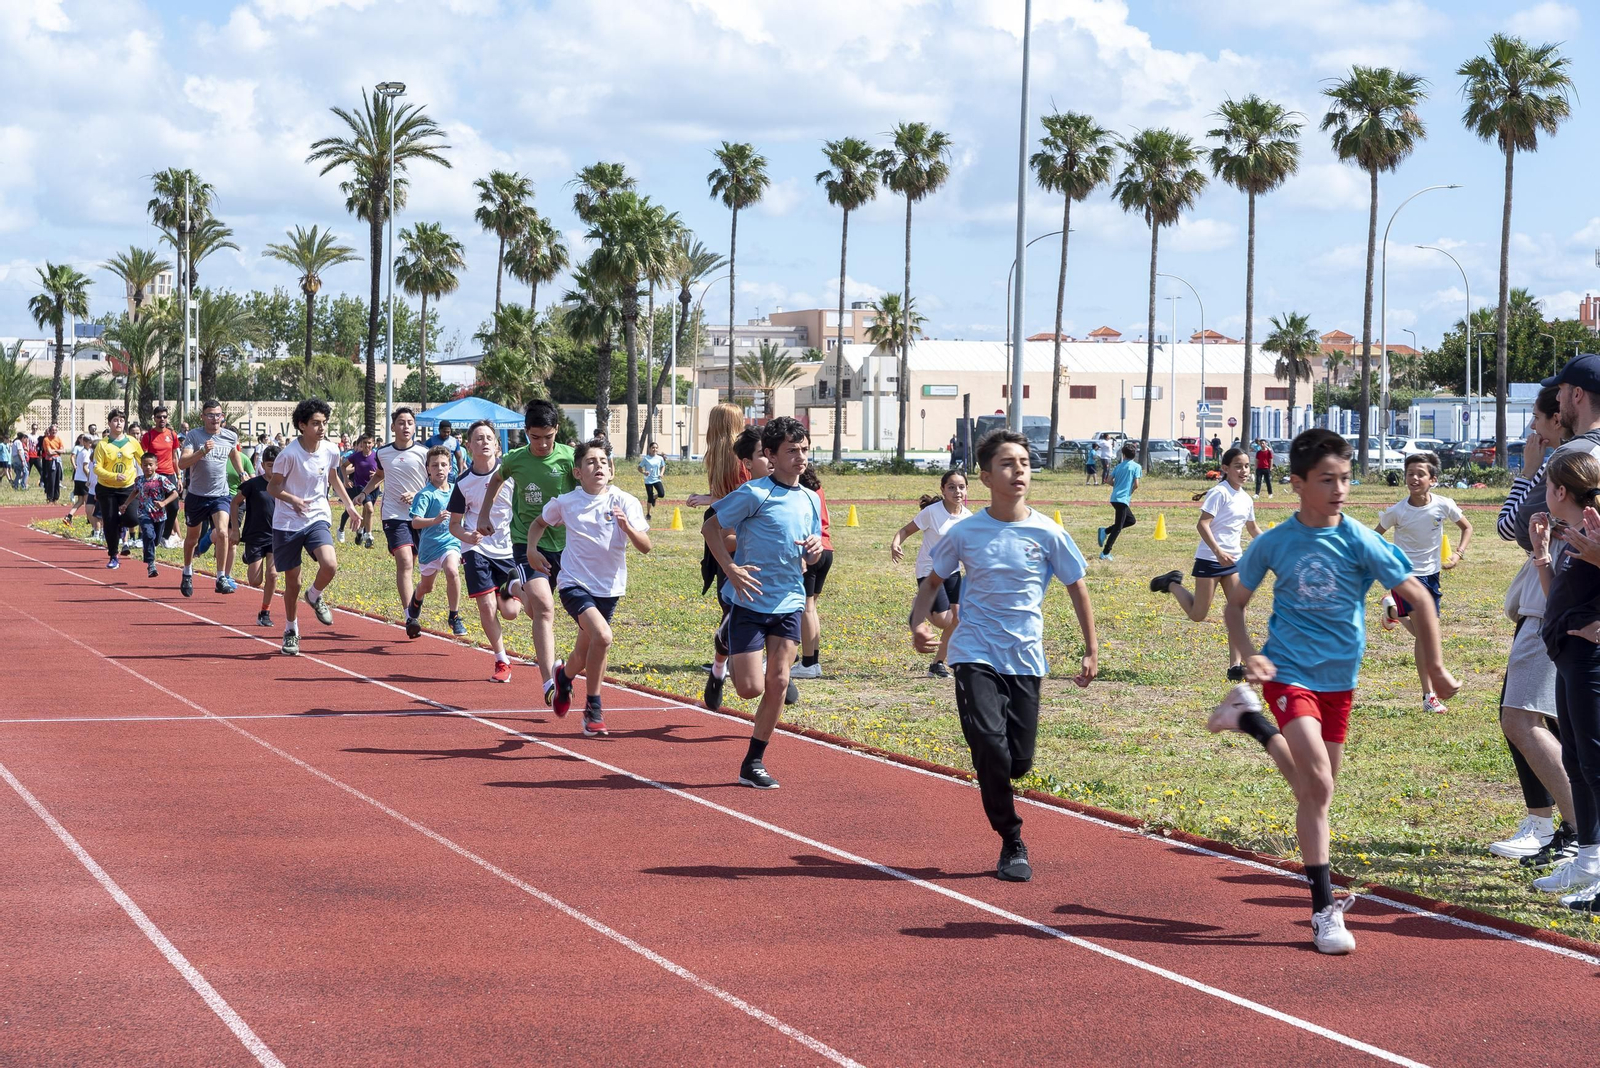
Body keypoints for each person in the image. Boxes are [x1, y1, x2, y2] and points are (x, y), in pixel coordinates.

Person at [1208, 429, 1457, 954]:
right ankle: (1324, 911)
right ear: (1297, 483)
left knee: (1313, 791)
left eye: (1345, 478)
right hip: (1288, 673)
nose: (1339, 489)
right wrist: (1249, 653)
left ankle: (1250, 722)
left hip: (1339, 683)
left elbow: (1419, 598)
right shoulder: (1275, 541)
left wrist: (1435, 667)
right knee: (1319, 783)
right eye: (1327, 480)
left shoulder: (1361, 539)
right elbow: (1235, 606)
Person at [910, 430, 1098, 882]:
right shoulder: (965, 531)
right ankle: (1011, 839)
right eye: (1008, 464)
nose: (1019, 471)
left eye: (1025, 464)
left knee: (1018, 761)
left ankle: (995, 768)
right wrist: (917, 624)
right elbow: (932, 583)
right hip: (974, 651)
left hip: (1025, 656)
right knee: (991, 746)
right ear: (986, 476)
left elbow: (1077, 588)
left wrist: (1091, 649)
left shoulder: (1048, 532)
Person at [701, 416, 823, 789]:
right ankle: (725, 641)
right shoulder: (755, 493)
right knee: (749, 688)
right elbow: (710, 528)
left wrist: (814, 551)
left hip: (789, 601)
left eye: (804, 450)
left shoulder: (810, 497)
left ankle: (753, 761)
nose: (800, 457)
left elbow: (810, 551)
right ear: (770, 454)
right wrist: (731, 569)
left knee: (780, 681)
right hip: (750, 602)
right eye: (792, 451)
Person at [1490, 386, 1576, 864]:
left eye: (1539, 418)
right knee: (1548, 720)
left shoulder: (1565, 458)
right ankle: (1558, 825)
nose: (1532, 428)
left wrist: (1528, 471)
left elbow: (1511, 526)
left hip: (1551, 606)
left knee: (1521, 716)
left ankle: (1577, 832)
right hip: (1557, 602)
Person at [529, 438, 651, 734]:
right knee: (603, 637)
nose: (598, 466)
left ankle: (564, 677)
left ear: (611, 470)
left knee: (583, 654)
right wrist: (532, 550)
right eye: (591, 462)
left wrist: (628, 528)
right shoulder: (566, 502)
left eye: (603, 462)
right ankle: (593, 707)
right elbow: (538, 524)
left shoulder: (625, 501)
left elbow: (645, 546)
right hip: (574, 583)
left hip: (609, 588)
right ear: (578, 472)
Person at [1528, 449, 1600, 909]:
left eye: (1546, 487)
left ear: (1559, 490)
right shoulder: (1576, 534)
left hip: (1591, 662)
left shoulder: (1595, 533)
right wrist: (1542, 556)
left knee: (1596, 764)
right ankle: (1589, 860)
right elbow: (1561, 596)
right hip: (1569, 657)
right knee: (1577, 760)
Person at [476, 399, 576, 700]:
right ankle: (549, 682)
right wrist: (483, 515)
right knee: (544, 607)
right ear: (526, 432)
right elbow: (496, 479)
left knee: (535, 609)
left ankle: (514, 587)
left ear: (557, 429)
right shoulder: (516, 459)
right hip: (526, 542)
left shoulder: (570, 458)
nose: (542, 444)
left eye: (548, 437)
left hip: (566, 545)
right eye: (535, 437)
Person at [1150, 448, 1262, 681]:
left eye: (1246, 466)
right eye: (1238, 466)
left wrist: (1273, 546)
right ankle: (1171, 583)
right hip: (1210, 560)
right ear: (1225, 469)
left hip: (1234, 562)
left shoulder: (1246, 498)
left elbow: (1252, 528)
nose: (1244, 471)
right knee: (1198, 615)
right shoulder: (1219, 493)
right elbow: (1202, 525)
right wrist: (1218, 551)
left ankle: (1235, 666)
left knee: (1238, 612)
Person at [1375, 452, 1474, 714]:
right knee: (1427, 636)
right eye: (1410, 474)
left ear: (1433, 480)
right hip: (1405, 577)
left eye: (1421, 474)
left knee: (1425, 635)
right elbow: (1375, 537)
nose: (1414, 478)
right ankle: (1428, 696)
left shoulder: (1443, 505)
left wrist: (1458, 554)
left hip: (1431, 576)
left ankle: (1392, 611)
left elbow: (1467, 528)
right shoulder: (1398, 511)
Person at [268, 398, 362, 657]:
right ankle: (291, 629)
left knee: (329, 564)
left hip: (317, 516)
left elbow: (333, 478)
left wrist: (350, 506)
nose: (322, 428)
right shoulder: (288, 455)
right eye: (316, 423)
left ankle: (314, 595)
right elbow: (273, 487)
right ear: (302, 425)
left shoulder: (331, 450)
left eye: (324, 423)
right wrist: (294, 500)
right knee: (293, 582)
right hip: (288, 522)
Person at [451, 420, 524, 683]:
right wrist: (467, 536)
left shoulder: (511, 476)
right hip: (476, 549)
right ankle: (502, 660)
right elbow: (454, 524)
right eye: (478, 438)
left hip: (508, 550)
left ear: (497, 445)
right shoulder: (463, 483)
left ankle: (507, 593)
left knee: (510, 612)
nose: (484, 442)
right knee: (486, 604)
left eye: (488, 438)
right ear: (469, 446)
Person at [891, 470, 972, 678]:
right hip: (929, 572)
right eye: (951, 487)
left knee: (958, 619)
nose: (957, 491)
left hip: (952, 571)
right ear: (943, 490)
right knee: (943, 621)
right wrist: (896, 543)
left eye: (961, 487)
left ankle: (937, 664)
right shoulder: (932, 512)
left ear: (967, 490)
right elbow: (905, 530)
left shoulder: (968, 518)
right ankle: (919, 605)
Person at [364, 408, 430, 636]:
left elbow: (435, 482)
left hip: (420, 516)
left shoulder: (424, 452)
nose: (406, 426)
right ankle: (410, 617)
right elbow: (379, 475)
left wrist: (417, 495)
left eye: (410, 422)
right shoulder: (383, 453)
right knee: (405, 562)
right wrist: (364, 493)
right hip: (394, 516)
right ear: (393, 427)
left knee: (419, 565)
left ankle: (415, 603)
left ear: (415, 426)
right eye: (401, 422)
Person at [175, 400, 244, 597]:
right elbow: (182, 463)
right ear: (203, 417)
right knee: (192, 539)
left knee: (222, 532)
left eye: (218, 415)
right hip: (197, 495)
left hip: (220, 494)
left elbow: (234, 454)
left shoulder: (230, 436)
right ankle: (187, 571)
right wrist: (202, 451)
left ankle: (221, 577)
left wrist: (242, 473)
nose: (215, 419)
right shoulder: (194, 435)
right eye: (210, 415)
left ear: (222, 417)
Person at [407, 446, 467, 638]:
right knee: (427, 587)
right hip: (430, 547)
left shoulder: (457, 491)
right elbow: (415, 522)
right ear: (428, 469)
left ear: (450, 467)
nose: (439, 468)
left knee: (452, 570)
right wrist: (434, 520)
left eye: (443, 464)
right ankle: (416, 598)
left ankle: (454, 616)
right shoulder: (426, 494)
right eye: (435, 465)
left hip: (451, 542)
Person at [792, 462, 833, 680]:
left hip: (811, 550)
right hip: (826, 548)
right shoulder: (819, 490)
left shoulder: (800, 493)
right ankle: (813, 661)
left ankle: (808, 662)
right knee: (812, 608)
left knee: (806, 608)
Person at [234, 445, 280, 628]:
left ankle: (265, 612)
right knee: (255, 581)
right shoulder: (253, 484)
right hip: (255, 536)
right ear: (263, 465)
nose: (273, 469)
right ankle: (248, 556)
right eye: (269, 465)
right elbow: (235, 503)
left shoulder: (285, 485)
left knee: (273, 574)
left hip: (276, 536)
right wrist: (235, 529)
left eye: (276, 465)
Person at [92, 411, 142, 568]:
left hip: (128, 487)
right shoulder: (102, 445)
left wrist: (152, 476)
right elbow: (97, 468)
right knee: (109, 521)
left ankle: (121, 526)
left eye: (121, 420)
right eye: (115, 420)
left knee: (133, 519)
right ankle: (113, 555)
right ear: (109, 423)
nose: (119, 423)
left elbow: (143, 459)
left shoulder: (132, 442)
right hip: (106, 488)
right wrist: (114, 476)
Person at [121, 452, 180, 578]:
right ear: (141, 466)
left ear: (156, 466)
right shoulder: (139, 480)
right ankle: (151, 564)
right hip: (144, 513)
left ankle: (149, 549)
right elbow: (135, 492)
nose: (148, 467)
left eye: (150, 465)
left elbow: (175, 493)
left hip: (159, 516)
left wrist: (164, 503)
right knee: (148, 534)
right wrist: (126, 504)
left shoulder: (162, 480)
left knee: (155, 540)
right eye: (145, 465)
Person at [141, 406, 184, 545]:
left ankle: (165, 536)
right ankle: (152, 536)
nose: (162, 419)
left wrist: (179, 477)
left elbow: (174, 458)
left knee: (174, 507)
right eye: (159, 417)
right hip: (155, 476)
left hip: (169, 475)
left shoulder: (172, 435)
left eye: (164, 416)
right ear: (154, 418)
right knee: (153, 508)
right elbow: (144, 458)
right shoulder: (148, 436)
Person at [1096, 441, 1142, 560]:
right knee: (1118, 527)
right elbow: (1136, 484)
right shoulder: (1136, 467)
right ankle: (1105, 552)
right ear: (1135, 455)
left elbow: (1108, 480)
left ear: (1123, 455)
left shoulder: (1119, 466)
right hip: (1123, 499)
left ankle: (1105, 531)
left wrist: (1117, 486)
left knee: (1131, 520)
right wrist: (1130, 491)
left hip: (1115, 498)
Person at [338, 433, 380, 546]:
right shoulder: (356, 456)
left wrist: (376, 474)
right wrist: (346, 479)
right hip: (361, 487)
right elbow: (343, 466)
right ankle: (369, 535)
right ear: (361, 444)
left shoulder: (377, 456)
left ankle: (360, 530)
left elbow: (384, 470)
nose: (367, 445)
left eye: (369, 443)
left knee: (366, 511)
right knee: (370, 509)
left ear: (373, 443)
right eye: (364, 443)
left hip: (374, 487)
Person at [64, 434, 93, 524]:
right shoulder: (85, 453)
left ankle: (69, 516)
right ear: (84, 442)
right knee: (88, 501)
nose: (90, 444)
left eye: (91, 443)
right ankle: (90, 519)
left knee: (80, 501)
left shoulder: (83, 452)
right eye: (89, 443)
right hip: (83, 480)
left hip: (78, 478)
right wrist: (89, 477)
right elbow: (85, 467)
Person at [637, 440, 667, 520]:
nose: (655, 449)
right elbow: (639, 467)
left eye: (656, 448)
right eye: (653, 448)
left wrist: (661, 473)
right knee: (649, 497)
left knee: (661, 494)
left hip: (657, 479)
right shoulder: (646, 459)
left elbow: (663, 466)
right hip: (648, 480)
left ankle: (654, 497)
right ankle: (648, 514)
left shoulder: (660, 458)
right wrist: (644, 472)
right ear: (650, 449)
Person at [39, 424, 64, 504]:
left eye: (55, 430)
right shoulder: (46, 439)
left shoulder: (58, 439)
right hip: (50, 461)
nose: (54, 431)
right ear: (49, 431)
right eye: (52, 430)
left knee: (57, 480)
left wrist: (55, 451)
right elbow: (49, 452)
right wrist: (58, 451)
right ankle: (50, 498)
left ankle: (56, 498)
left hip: (58, 461)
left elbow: (63, 450)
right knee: (51, 480)